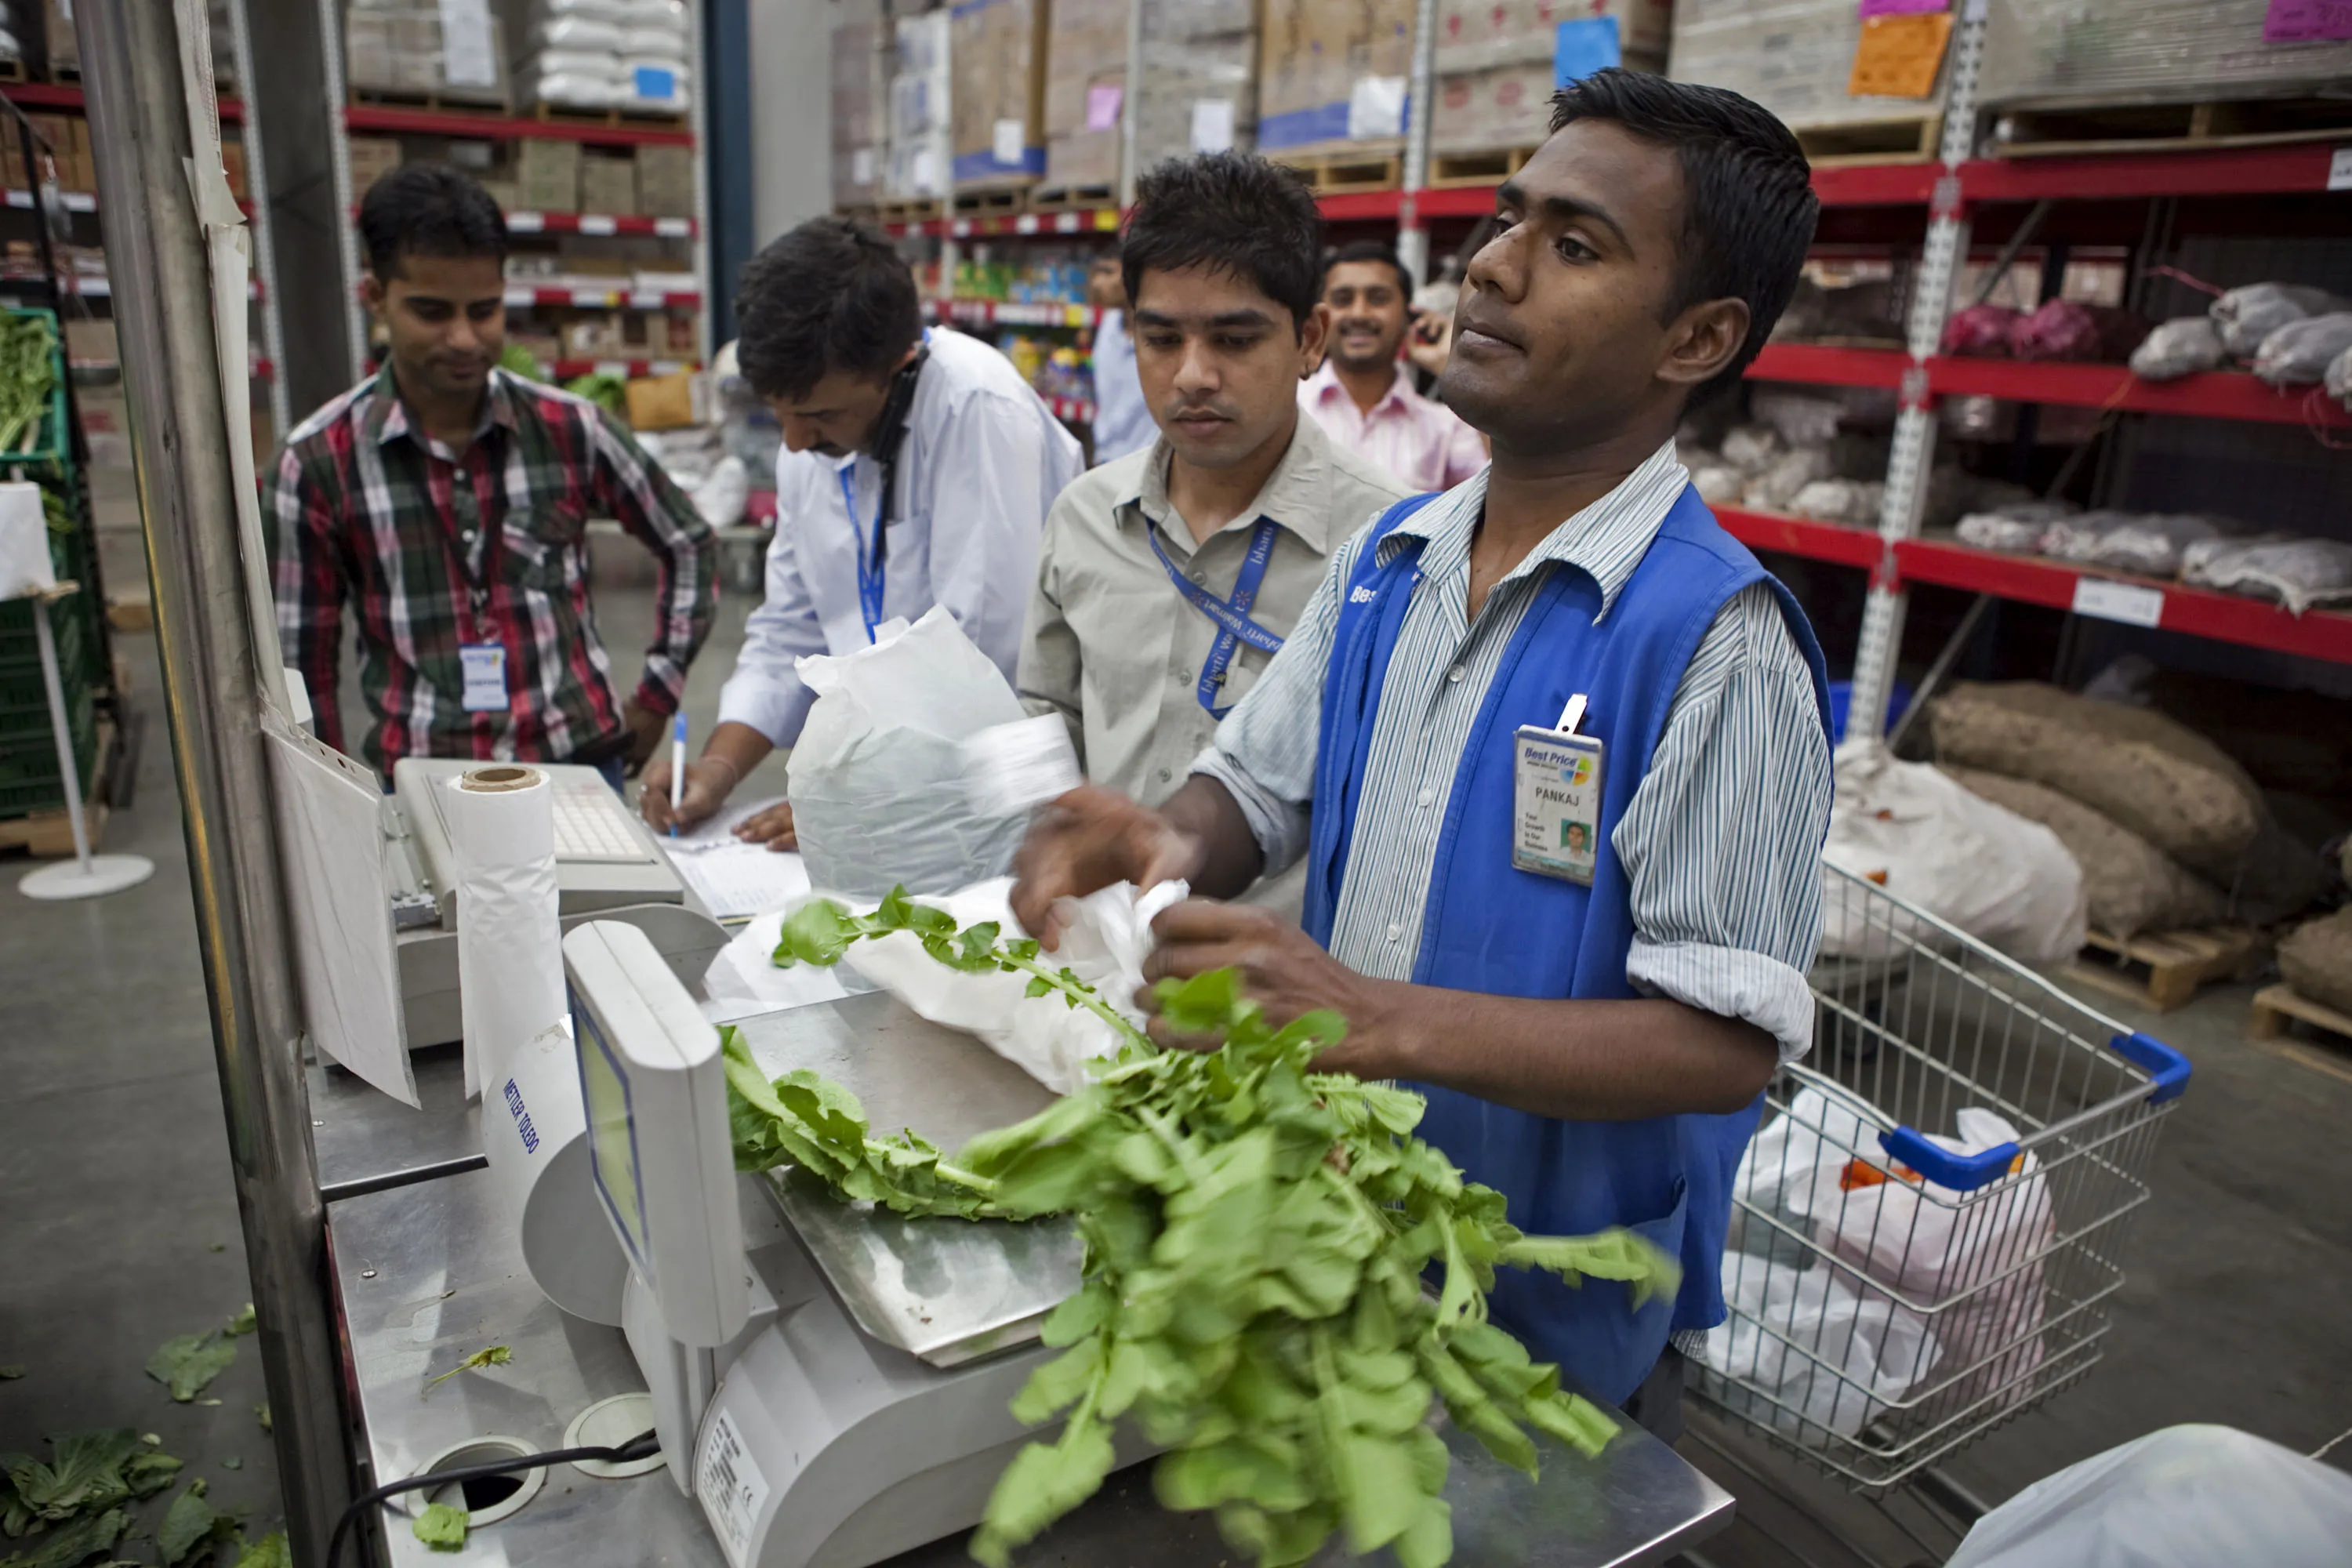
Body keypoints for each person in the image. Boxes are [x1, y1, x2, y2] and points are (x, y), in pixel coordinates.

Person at [1008, 70, 1835, 1434]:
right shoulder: (1388, 563)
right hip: (1349, 1240)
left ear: (1696, 337)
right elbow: (1258, 785)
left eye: (1574, 246)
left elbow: (1721, 1042)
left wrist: (1379, 1021)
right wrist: (1167, 837)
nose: (1495, 267)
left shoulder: (1711, 643)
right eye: (1507, 221)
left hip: (1542, 1317)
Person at [1017, 153, 1409, 907]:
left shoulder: (1391, 546)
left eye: (1234, 340)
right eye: (1162, 340)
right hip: (1096, 954)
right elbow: (1049, 710)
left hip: (1286, 990)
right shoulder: (1084, 518)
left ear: (1309, 341)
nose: (1193, 375)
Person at [270, 165, 717, 785]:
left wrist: (657, 694)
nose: (463, 338)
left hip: (580, 767)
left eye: (484, 311)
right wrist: (335, 801)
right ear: (375, 296)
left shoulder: (570, 430)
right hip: (428, 779)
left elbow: (690, 540)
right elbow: (302, 663)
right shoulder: (318, 464)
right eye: (432, 312)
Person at [643, 216, 1084, 844]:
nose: (795, 442)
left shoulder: (977, 410)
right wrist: (717, 768)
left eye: (820, 415)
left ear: (900, 366)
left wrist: (858, 800)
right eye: (781, 416)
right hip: (888, 781)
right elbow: (787, 632)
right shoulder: (810, 442)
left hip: (995, 787)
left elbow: (982, 659)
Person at [1298, 239, 1486, 492]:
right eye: (1343, 299)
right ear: (1320, 319)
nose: (1360, 314)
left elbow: (1498, 492)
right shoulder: (1287, 407)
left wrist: (1454, 367)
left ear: (1410, 316)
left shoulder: (1445, 428)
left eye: (1378, 299)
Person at [1085, 249, 1156, 466]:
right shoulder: (1108, 324)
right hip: (1107, 460)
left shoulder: (1159, 331)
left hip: (1146, 464)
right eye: (1095, 273)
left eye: (1108, 272)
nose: (1097, 283)